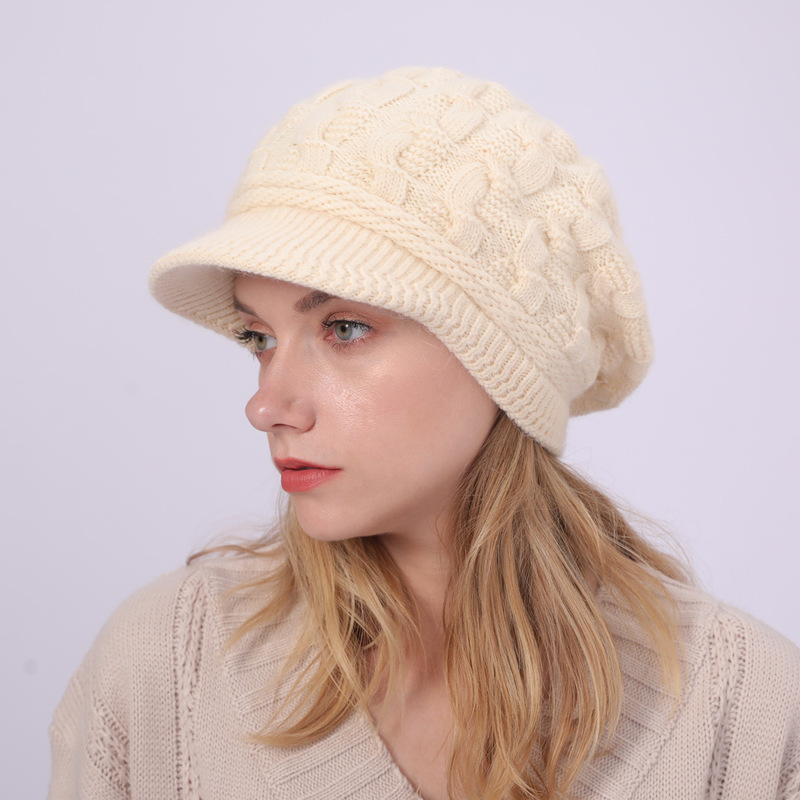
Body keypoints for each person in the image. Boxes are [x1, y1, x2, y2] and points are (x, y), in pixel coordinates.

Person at [48, 67, 800, 800]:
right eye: (259, 338)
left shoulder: (745, 712)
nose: (267, 405)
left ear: (503, 359)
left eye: (344, 328)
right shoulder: (166, 666)